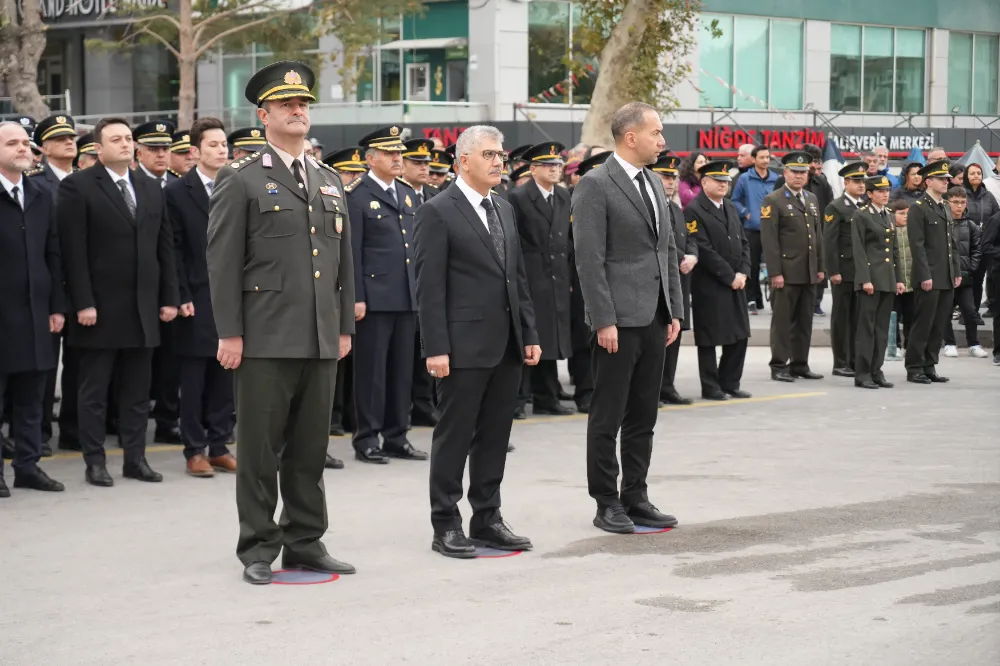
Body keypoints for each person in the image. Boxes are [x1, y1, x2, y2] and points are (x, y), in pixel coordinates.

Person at [208, 61, 356, 584]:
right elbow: (222, 262)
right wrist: (229, 331)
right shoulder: (241, 178)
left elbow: (343, 264)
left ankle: (306, 541)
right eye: (287, 104)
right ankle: (256, 546)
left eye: (304, 103)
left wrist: (343, 327)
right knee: (259, 449)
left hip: (319, 335)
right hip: (265, 335)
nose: (298, 110)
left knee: (310, 448)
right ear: (262, 114)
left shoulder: (329, 179)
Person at [414, 125, 540, 558]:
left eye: (500, 155)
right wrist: (436, 348)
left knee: (494, 435)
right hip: (461, 346)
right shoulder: (438, 210)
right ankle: (445, 523)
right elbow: (428, 287)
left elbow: (516, 278)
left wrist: (529, 333)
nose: (497, 162)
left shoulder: (503, 208)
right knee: (455, 435)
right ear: (462, 160)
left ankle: (487, 517)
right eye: (488, 155)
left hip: (505, 343)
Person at [573, 102, 682, 535]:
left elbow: (667, 251)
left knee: (643, 415)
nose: (663, 140)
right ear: (630, 136)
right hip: (617, 320)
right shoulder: (595, 184)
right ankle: (606, 501)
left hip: (655, 316)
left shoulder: (655, 182)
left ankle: (636, 495)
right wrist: (603, 320)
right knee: (608, 415)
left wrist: (674, 309)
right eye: (656, 133)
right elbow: (589, 258)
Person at [57, 116, 180, 486]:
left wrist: (169, 297)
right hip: (99, 309)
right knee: (94, 393)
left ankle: (135, 459)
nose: (126, 144)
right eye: (116, 139)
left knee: (137, 392)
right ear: (98, 147)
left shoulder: (149, 186)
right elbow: (72, 251)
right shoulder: (78, 187)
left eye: (129, 139)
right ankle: (95, 461)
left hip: (143, 309)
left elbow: (165, 246)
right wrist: (83, 303)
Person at [345, 126, 427, 465]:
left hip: (406, 297)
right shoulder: (356, 195)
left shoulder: (407, 193)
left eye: (399, 153)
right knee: (372, 373)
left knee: (401, 372)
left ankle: (397, 435)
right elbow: (352, 252)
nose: (398, 158)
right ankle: (367, 437)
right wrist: (356, 297)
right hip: (374, 300)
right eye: (390, 153)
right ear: (370, 159)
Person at [165, 117, 239, 478]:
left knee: (226, 371)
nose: (221, 150)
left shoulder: (237, 187)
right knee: (194, 377)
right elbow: (172, 249)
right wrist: (179, 294)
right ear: (195, 151)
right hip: (196, 294)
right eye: (213, 145)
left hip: (233, 296)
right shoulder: (178, 192)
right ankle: (195, 449)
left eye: (224, 144)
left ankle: (220, 444)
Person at [0, 121, 67, 497]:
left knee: (31, 396)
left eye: (26, 143)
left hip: (35, 311)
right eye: (12, 143)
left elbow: (52, 254)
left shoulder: (40, 193)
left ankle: (27, 466)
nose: (23, 148)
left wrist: (57, 305)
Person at [509, 142, 574, 417]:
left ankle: (547, 396)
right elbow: (513, 242)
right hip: (532, 274)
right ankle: (519, 398)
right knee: (530, 335)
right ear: (533, 169)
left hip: (557, 274)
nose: (555, 169)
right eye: (549, 165)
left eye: (558, 165)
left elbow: (570, 238)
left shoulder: (562, 196)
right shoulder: (518, 197)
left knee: (552, 336)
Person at [27, 115, 79, 453]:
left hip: (84, 286)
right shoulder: (36, 183)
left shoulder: (90, 180)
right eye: (60, 139)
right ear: (44, 147)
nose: (69, 142)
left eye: (72, 137)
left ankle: (73, 430)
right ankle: (41, 431)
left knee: (79, 363)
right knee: (45, 366)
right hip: (50, 285)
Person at [684, 159, 753, 400]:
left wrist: (743, 272)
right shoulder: (694, 209)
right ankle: (711, 386)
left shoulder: (731, 207)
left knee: (740, 335)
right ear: (704, 182)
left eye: (725, 180)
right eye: (718, 180)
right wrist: (729, 276)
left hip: (737, 282)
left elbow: (744, 242)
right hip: (711, 284)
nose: (723, 184)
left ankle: (730, 382)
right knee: (710, 338)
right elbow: (703, 248)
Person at [760, 151, 825, 382]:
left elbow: (817, 236)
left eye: (803, 172)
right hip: (786, 273)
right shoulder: (774, 200)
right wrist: (775, 272)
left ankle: (800, 363)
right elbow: (770, 241)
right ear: (785, 173)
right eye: (794, 172)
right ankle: (779, 365)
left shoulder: (811, 198)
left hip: (808, 271)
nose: (799, 176)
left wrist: (820, 267)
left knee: (804, 322)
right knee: (782, 322)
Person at [905, 159, 962, 384]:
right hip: (929, 276)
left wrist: (956, 270)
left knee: (938, 324)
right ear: (929, 181)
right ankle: (914, 366)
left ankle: (929, 365)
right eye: (941, 179)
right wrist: (925, 274)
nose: (946, 182)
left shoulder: (944, 206)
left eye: (947, 179)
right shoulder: (919, 208)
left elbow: (952, 243)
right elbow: (917, 245)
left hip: (946, 275)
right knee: (923, 323)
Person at [399, 138, 441, 428]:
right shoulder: (398, 195)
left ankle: (426, 406)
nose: (425, 168)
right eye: (417, 162)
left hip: (431, 287)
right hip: (402, 287)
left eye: (427, 162)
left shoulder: (437, 196)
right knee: (404, 358)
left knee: (428, 349)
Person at [566, 151, 611, 415]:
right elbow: (570, 247)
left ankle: (602, 390)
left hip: (610, 277)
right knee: (585, 338)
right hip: (581, 277)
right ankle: (585, 391)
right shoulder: (578, 199)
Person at [851, 175, 905, 389]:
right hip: (870, 280)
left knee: (882, 329)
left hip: (887, 280)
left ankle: (876, 370)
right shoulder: (861, 215)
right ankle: (863, 373)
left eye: (887, 191)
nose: (885, 195)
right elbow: (859, 249)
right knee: (867, 329)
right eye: (880, 191)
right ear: (870, 194)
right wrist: (865, 279)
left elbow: (894, 251)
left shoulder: (889, 216)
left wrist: (898, 279)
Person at [651, 152, 697, 405]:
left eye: (673, 178)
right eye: (664, 176)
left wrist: (693, 256)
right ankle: (653, 389)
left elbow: (688, 237)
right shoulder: (651, 207)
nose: (670, 182)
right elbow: (660, 243)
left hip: (679, 280)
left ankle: (667, 386)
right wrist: (682, 257)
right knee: (658, 339)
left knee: (674, 336)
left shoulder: (675, 208)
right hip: (659, 281)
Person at [824, 161, 868, 377]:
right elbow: (830, 242)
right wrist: (834, 271)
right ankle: (840, 362)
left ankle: (853, 359)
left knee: (857, 318)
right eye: (857, 181)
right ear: (846, 182)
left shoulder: (864, 206)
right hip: (844, 270)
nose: (861, 185)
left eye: (863, 181)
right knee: (842, 318)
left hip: (861, 271)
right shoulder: (836, 207)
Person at [940, 187, 988, 358]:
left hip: (965, 275)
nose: (959, 206)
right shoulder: (942, 224)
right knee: (945, 311)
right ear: (947, 202)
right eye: (955, 202)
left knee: (970, 310)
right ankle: (950, 343)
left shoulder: (971, 226)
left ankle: (974, 343)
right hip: (945, 275)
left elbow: (977, 250)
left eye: (962, 202)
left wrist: (971, 267)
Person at [731, 145, 778, 313]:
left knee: (774, 264)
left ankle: (775, 299)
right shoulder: (745, 179)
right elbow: (734, 201)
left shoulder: (776, 179)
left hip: (772, 229)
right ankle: (751, 299)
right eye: (762, 157)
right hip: (751, 229)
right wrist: (746, 213)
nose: (765, 160)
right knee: (752, 265)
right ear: (754, 160)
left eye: (767, 157)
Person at [890, 199, 915, 354]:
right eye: (901, 213)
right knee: (894, 316)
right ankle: (895, 345)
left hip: (911, 282)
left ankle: (909, 345)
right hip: (894, 282)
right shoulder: (889, 230)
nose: (905, 216)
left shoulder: (913, 230)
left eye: (907, 213)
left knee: (911, 317)